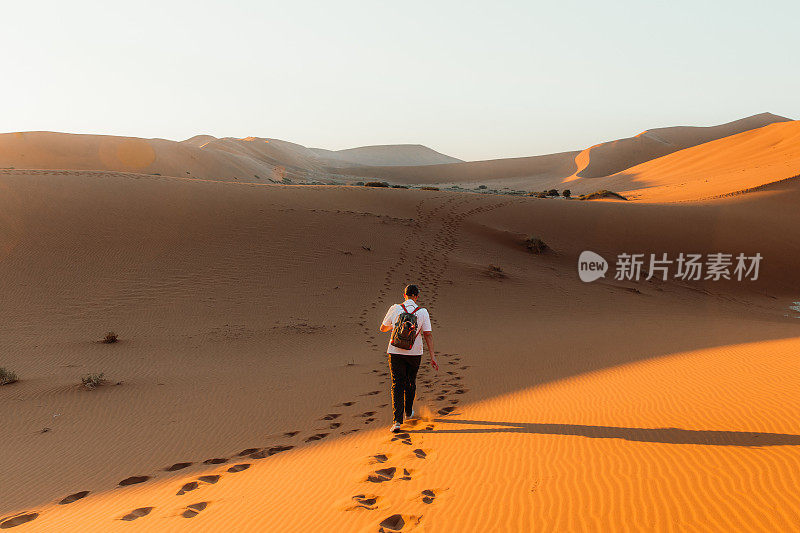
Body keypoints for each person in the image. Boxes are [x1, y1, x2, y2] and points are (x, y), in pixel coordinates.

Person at [379, 284, 438, 432]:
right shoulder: (423, 312)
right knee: (410, 382)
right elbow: (428, 335)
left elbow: (382, 328)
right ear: (417, 296)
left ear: (404, 295)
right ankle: (409, 411)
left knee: (397, 384)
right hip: (415, 353)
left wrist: (396, 326)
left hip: (395, 351)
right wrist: (433, 357)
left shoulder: (395, 308)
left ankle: (397, 422)